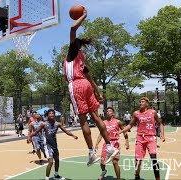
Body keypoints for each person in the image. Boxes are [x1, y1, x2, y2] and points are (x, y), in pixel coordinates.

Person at [63, 7, 118, 166]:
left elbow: (73, 28)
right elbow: (88, 76)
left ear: (74, 45)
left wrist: (84, 16)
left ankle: (91, 152)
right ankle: (109, 146)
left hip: (76, 85)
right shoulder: (81, 57)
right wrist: (97, 91)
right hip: (86, 85)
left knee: (82, 120)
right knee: (96, 116)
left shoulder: (72, 52)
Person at [119, 97, 165, 180]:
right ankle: (137, 175)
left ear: (147, 103)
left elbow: (160, 123)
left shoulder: (153, 112)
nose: (140, 103)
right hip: (140, 138)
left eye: (142, 102)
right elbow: (130, 125)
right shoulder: (136, 113)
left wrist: (162, 134)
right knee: (138, 161)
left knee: (154, 159)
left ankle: (158, 178)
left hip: (151, 138)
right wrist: (121, 131)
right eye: (140, 102)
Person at [28, 109, 78, 180]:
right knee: (51, 162)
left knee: (57, 160)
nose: (51, 114)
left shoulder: (57, 124)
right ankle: (47, 178)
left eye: (52, 113)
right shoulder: (44, 124)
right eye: (50, 113)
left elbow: (66, 131)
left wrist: (73, 135)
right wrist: (29, 137)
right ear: (47, 115)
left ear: (54, 115)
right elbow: (35, 132)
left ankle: (56, 174)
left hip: (54, 145)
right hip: (47, 145)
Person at [95, 107, 129, 180]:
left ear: (113, 113)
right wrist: (96, 144)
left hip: (115, 144)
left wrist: (127, 141)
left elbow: (124, 131)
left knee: (115, 162)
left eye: (109, 111)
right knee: (102, 162)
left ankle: (118, 178)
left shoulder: (118, 122)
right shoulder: (103, 122)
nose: (107, 112)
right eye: (106, 111)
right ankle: (104, 171)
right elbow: (101, 134)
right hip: (107, 144)